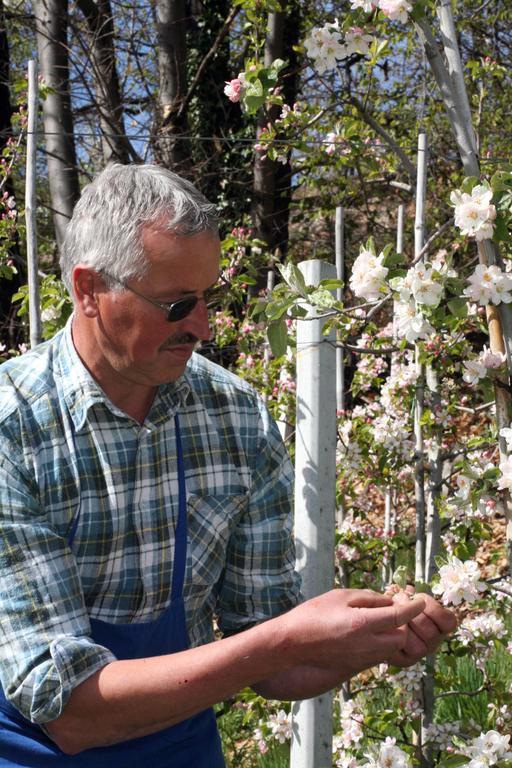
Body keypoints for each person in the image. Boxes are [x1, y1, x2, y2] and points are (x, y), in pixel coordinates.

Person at [0, 164, 457, 767]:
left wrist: (367, 644)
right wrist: (286, 638)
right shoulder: (16, 430)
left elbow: (268, 658)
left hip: (182, 750)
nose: (203, 325)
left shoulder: (233, 416)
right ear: (89, 290)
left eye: (209, 297)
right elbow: (72, 714)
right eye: (177, 303)